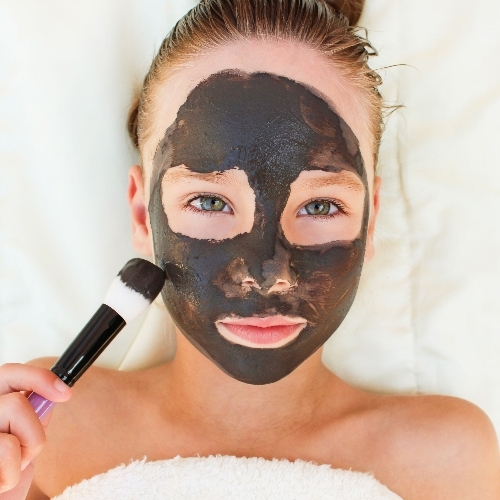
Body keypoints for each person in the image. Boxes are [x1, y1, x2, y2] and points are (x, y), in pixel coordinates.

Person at [1, 0, 499, 498]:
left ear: (370, 222)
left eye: (321, 206)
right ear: (141, 214)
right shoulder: (43, 429)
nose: (266, 273)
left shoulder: (446, 461)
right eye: (210, 201)